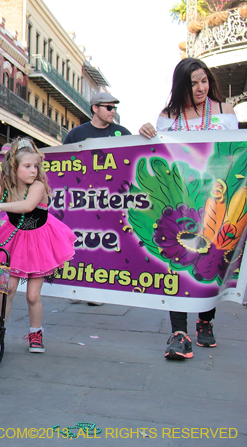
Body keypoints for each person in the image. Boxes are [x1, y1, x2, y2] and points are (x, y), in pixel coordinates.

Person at [138, 57, 238, 361]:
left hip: (217, 197)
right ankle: (178, 331)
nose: (200, 87)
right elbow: (159, 150)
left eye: (204, 80)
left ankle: (205, 320)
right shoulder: (168, 116)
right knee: (179, 263)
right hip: (181, 198)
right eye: (193, 82)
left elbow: (233, 150)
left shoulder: (224, 111)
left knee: (213, 259)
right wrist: (146, 133)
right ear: (182, 84)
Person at [0, 137, 76, 353]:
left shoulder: (38, 187)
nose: (33, 170)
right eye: (27, 166)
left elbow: (27, 205)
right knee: (8, 289)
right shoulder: (3, 189)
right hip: (15, 240)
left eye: (36, 166)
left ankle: (36, 333)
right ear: (14, 168)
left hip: (40, 242)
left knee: (33, 295)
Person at [63, 92, 131, 143]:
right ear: (95, 108)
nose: (113, 111)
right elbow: (64, 158)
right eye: (109, 108)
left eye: (114, 108)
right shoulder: (76, 134)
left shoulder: (123, 133)